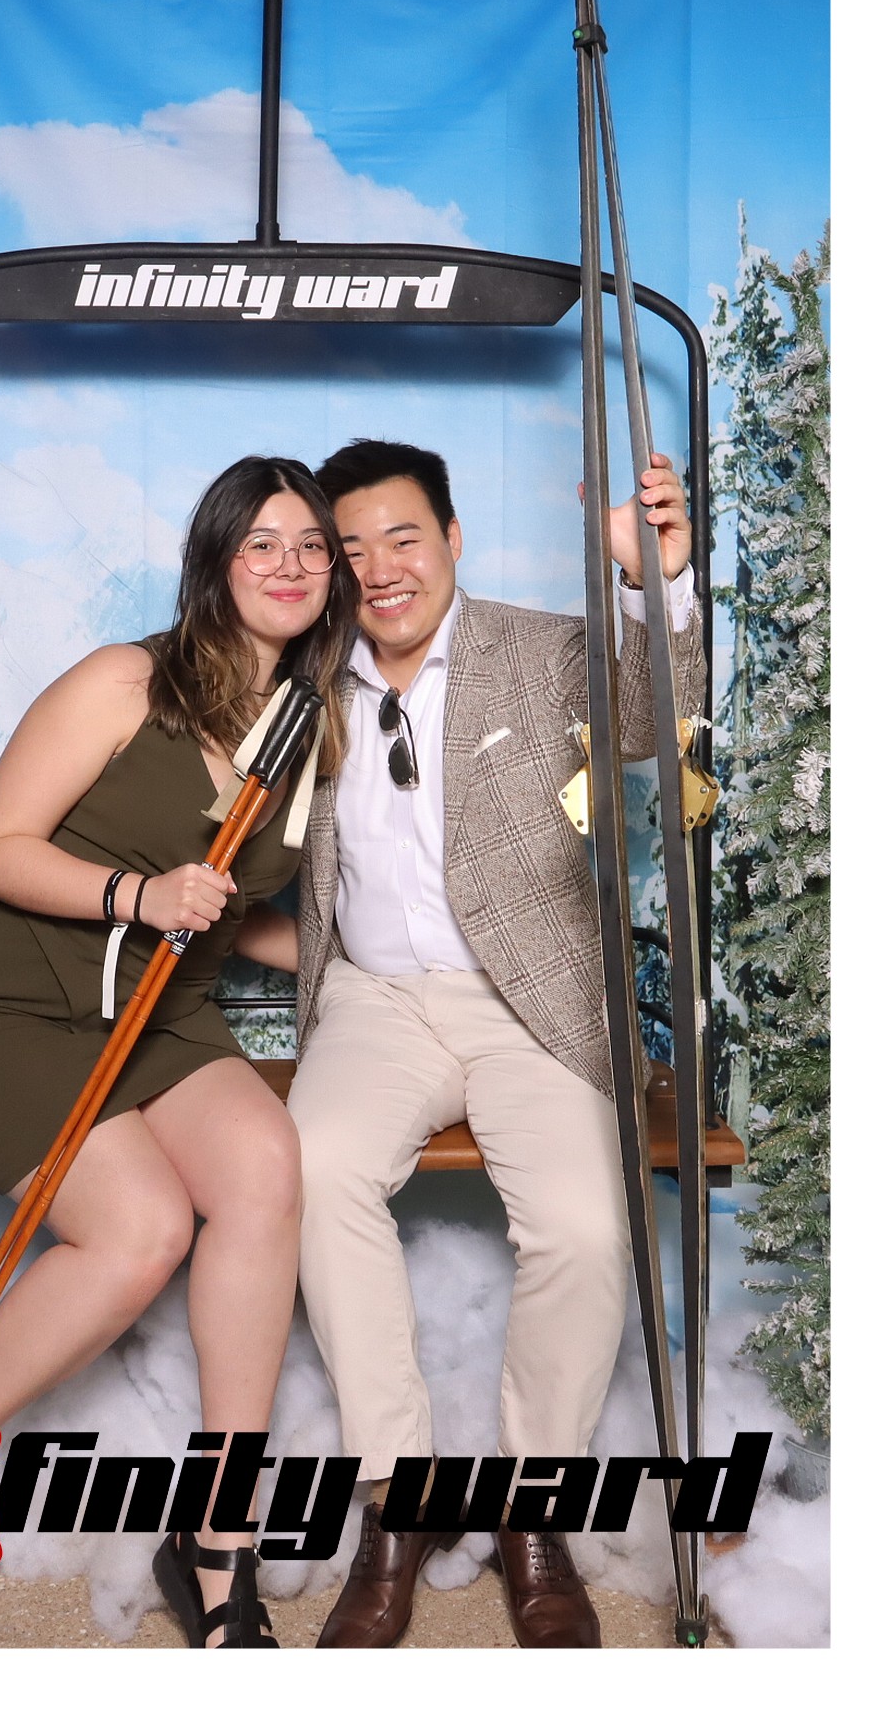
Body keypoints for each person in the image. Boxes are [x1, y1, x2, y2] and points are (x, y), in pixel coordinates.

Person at [0, 455, 360, 1649]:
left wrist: (369, 958)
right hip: (9, 1004)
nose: (289, 565)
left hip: (159, 1012)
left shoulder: (308, 725)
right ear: (216, 560)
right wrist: (139, 892)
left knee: (265, 1167)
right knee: (139, 1230)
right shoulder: (126, 681)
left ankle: (216, 1535)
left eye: (311, 546)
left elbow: (236, 912)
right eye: (262, 543)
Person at [286, 438, 706, 1649]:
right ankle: (395, 1500)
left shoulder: (539, 648)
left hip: (531, 999)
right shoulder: (304, 678)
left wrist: (652, 580)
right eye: (351, 549)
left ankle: (534, 1510)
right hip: (375, 1000)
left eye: (403, 536)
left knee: (585, 1225)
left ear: (452, 538)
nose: (380, 567)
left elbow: (656, 718)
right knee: (309, 1171)